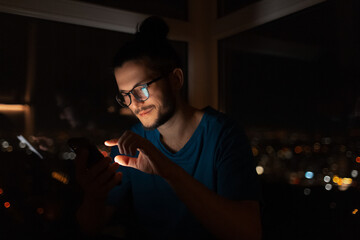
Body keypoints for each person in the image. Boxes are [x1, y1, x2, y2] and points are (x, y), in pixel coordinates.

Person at [75, 16, 262, 240]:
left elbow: (249, 232)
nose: (134, 103)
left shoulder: (223, 135)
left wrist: (167, 170)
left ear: (175, 79)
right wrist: (94, 196)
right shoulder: (132, 143)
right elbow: (90, 226)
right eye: (125, 95)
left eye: (141, 89)